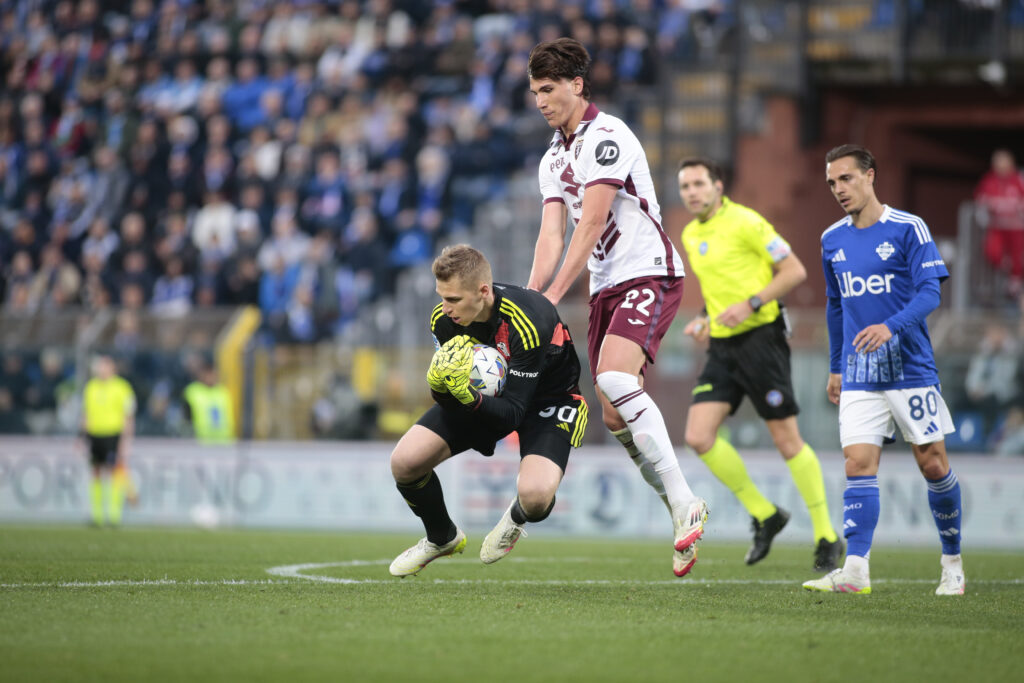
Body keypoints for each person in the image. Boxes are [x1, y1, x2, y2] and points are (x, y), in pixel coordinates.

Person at [525, 37, 708, 577]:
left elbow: (592, 221)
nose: (540, 101)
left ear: (577, 85)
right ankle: (679, 506)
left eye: (549, 89)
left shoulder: (608, 136)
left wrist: (555, 297)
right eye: (535, 91)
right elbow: (550, 236)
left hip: (648, 269)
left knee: (615, 381)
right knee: (612, 407)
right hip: (606, 286)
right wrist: (532, 302)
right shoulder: (553, 158)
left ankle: (683, 500)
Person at [803, 144, 965, 596]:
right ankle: (856, 570)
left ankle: (952, 561)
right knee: (857, 462)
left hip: (911, 368)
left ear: (870, 176)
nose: (839, 189)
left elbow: (931, 293)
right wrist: (836, 366)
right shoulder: (831, 239)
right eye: (832, 182)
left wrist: (889, 327)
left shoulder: (908, 228)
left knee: (932, 464)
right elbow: (835, 305)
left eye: (847, 179)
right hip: (859, 370)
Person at [677, 157, 843, 571]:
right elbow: (719, 291)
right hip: (722, 346)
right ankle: (766, 514)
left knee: (787, 441)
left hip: (761, 342)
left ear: (718, 185)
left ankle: (826, 535)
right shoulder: (689, 233)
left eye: (699, 183)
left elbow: (795, 271)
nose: (692, 192)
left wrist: (752, 303)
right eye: (685, 186)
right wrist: (703, 319)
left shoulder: (747, 222)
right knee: (698, 436)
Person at [389, 244, 589, 577]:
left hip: (549, 400)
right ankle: (442, 537)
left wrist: (466, 398)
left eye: (453, 299)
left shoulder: (528, 319)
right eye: (442, 297)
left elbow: (512, 413)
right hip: (486, 397)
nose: (445, 308)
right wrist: (442, 388)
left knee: (536, 497)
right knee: (404, 463)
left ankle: (518, 515)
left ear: (483, 292)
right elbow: (449, 399)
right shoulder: (444, 321)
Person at [80, 354, 136, 526]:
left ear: (113, 369)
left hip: (113, 434)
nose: (101, 370)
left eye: (105, 366)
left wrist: (126, 440)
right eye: (100, 367)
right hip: (95, 435)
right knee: (96, 471)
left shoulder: (122, 388)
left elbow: (128, 416)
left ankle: (114, 516)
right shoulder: (90, 387)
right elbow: (86, 414)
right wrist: (83, 436)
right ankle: (96, 516)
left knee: (114, 471)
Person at [973, 149, 1024, 298]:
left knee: (1018, 257)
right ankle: (1006, 275)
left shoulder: (1019, 179)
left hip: (1017, 228)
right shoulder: (989, 181)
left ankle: (1015, 282)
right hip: (997, 227)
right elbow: (980, 200)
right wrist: (984, 214)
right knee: (993, 251)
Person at [183, 361, 237, 444]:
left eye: (212, 373)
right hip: (200, 443)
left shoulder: (223, 392)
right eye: (208, 373)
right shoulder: (192, 392)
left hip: (224, 443)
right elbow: (186, 420)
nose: (210, 377)